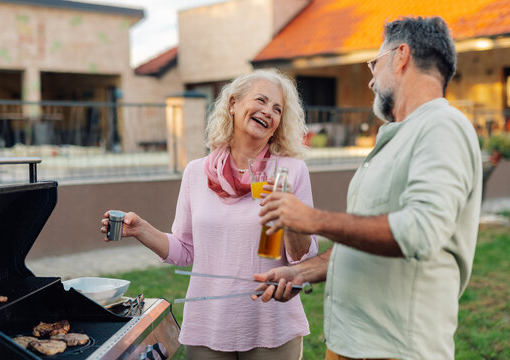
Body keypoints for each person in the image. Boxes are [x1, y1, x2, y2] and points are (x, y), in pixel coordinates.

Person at [253, 16, 483, 360]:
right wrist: (301, 271)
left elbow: (418, 231)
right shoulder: (402, 135)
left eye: (374, 64)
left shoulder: (442, 126)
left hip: (395, 348)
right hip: (352, 343)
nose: (371, 80)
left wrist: (312, 219)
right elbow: (366, 238)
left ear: (401, 56)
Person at [100, 69, 318, 359]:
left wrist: (290, 218)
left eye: (277, 109)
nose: (268, 112)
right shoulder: (196, 172)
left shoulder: (290, 172)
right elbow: (185, 248)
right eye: (261, 101)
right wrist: (141, 229)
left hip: (271, 324)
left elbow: (304, 258)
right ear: (233, 104)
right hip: (208, 323)